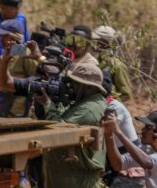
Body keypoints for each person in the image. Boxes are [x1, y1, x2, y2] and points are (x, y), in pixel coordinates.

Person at [36, 57, 108, 188]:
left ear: (87, 87)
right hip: (68, 178)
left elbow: (61, 130)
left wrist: (47, 104)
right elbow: (67, 117)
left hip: (78, 181)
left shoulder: (89, 109)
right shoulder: (85, 103)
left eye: (75, 83)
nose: (71, 87)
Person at [0, 20, 42, 117]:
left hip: (20, 111)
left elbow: (38, 79)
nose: (0, 38)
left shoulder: (26, 54)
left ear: (13, 38)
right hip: (5, 106)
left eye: (4, 35)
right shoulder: (4, 56)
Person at [95, 24, 134, 100]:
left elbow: (126, 95)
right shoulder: (96, 61)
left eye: (97, 40)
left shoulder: (117, 66)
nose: (93, 42)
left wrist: (109, 100)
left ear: (106, 43)